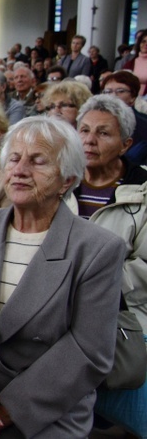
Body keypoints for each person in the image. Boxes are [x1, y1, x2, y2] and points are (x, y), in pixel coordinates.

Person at [0, 116, 126, 438]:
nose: (20, 170)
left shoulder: (98, 249)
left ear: (67, 180)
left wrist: (6, 411)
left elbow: (88, 351)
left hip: (44, 410)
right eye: (14, 159)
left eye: (38, 161)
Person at [73, 95, 147, 437]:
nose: (89, 140)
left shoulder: (142, 191)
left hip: (124, 310)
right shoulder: (58, 181)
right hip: (59, 304)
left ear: (126, 144)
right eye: (83, 130)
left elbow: (144, 266)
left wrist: (91, 284)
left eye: (103, 133)